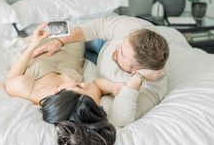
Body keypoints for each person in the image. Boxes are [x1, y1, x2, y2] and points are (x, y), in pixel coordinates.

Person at [4, 23, 121, 145]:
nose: (82, 84)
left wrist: (34, 44)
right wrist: (113, 87)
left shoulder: (29, 91)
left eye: (79, 86)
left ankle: (29, 38)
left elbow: (11, 77)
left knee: (63, 27)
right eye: (80, 86)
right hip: (70, 45)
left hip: (49, 47)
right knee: (72, 29)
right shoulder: (81, 96)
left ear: (58, 91)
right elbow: (97, 84)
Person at [32, 15, 170, 127]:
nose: (117, 46)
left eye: (121, 52)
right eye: (122, 42)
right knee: (66, 38)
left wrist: (137, 79)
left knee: (71, 58)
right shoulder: (137, 30)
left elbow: (118, 119)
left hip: (95, 65)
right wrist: (59, 42)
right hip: (102, 45)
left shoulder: (151, 89)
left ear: (136, 70)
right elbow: (97, 26)